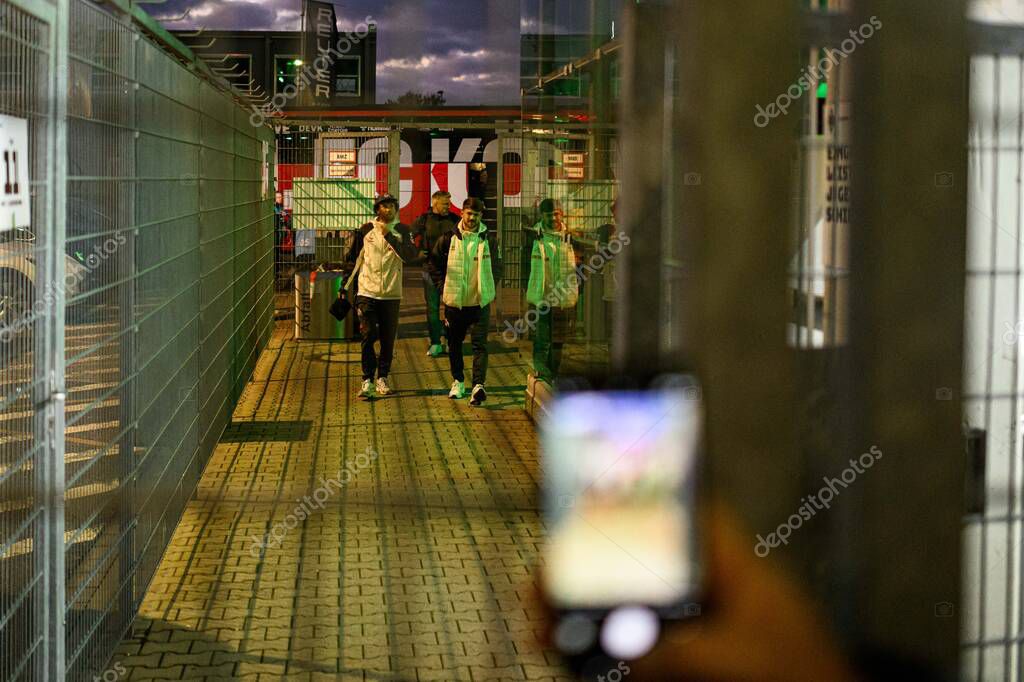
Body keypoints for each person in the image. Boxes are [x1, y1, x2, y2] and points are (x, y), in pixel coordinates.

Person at [428, 197, 503, 406]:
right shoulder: (447, 239)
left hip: (479, 303)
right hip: (455, 304)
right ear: (462, 213)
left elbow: (498, 267)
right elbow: (433, 265)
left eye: (477, 215)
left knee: (480, 345)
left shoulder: (489, 239)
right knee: (454, 345)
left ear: (481, 216)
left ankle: (479, 385)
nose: (472, 218)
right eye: (469, 213)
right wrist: (443, 288)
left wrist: (489, 288)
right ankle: (458, 381)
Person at [345, 194, 418, 399]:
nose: (389, 210)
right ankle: (366, 379)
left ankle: (382, 377)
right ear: (377, 209)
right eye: (384, 206)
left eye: (392, 206)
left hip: (391, 294)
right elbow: (354, 259)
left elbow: (410, 256)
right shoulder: (365, 229)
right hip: (367, 291)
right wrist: (345, 286)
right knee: (367, 335)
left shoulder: (403, 230)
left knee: (387, 339)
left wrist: (389, 236)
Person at [527, 198, 576, 383]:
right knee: (541, 337)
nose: (553, 218)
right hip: (541, 295)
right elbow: (525, 263)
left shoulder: (571, 236)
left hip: (563, 295)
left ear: (561, 214)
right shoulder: (533, 235)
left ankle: (554, 374)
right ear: (542, 216)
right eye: (549, 215)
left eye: (556, 214)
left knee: (558, 339)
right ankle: (542, 372)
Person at [411, 190, 458, 357]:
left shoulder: (454, 220)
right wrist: (416, 253)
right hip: (430, 270)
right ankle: (436, 342)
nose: (448, 207)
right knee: (432, 307)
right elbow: (409, 235)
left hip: (451, 270)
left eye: (449, 203)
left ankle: (448, 340)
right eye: (445, 203)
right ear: (435, 203)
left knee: (451, 307)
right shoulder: (423, 220)